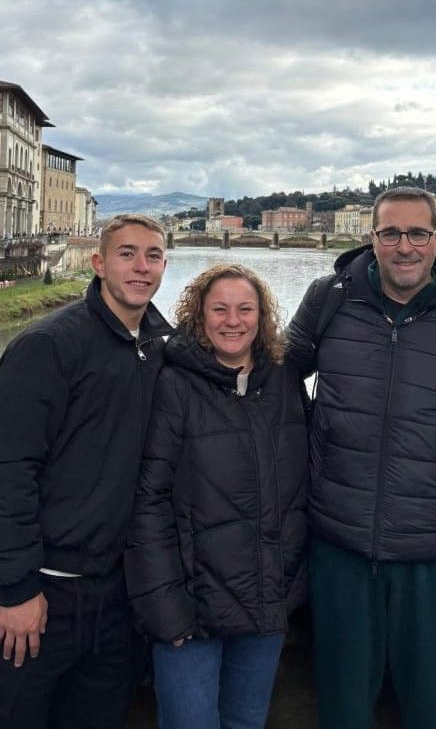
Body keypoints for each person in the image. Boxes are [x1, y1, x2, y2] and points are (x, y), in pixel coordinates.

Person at [287, 186, 436, 729]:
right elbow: (277, 379)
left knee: (432, 709)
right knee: (342, 709)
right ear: (372, 237)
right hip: (339, 540)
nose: (404, 247)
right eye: (391, 233)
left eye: (417, 233)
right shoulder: (328, 298)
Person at [0, 213, 171, 729]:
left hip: (119, 594)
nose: (141, 267)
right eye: (127, 254)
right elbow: (10, 468)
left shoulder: (162, 347)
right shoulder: (49, 344)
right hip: (44, 592)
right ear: (98, 263)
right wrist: (15, 589)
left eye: (154, 256)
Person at [125, 263, 308, 729]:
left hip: (266, 604)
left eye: (245, 309)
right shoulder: (174, 384)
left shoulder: (284, 381)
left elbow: (301, 489)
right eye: (220, 309)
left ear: (262, 316)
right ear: (198, 316)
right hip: (191, 611)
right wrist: (166, 611)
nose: (233, 321)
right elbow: (148, 502)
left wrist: (291, 586)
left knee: (246, 722)